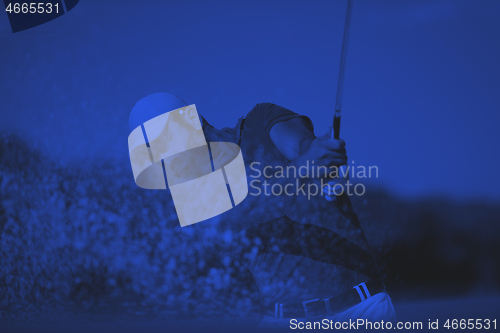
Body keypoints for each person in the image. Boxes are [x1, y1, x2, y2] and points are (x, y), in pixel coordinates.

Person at [129, 93, 396, 326]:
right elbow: (247, 213)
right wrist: (305, 167)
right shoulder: (193, 200)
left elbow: (300, 145)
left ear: (194, 123)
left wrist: (318, 155)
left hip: (362, 310)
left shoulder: (260, 119)